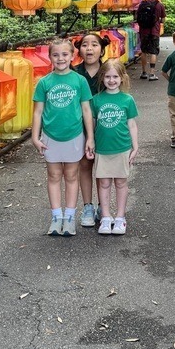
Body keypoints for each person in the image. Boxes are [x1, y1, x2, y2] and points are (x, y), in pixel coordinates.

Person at [31, 36, 94, 238]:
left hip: (75, 134)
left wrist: (90, 137)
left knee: (71, 175)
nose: (60, 58)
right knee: (54, 176)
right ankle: (56, 217)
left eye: (65, 54)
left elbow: (86, 110)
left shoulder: (79, 81)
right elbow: (38, 112)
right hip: (50, 135)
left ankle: (69, 218)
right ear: (50, 57)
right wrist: (35, 136)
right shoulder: (44, 83)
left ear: (72, 56)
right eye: (56, 55)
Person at [91, 59, 139, 236]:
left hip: (122, 147)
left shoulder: (127, 99)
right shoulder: (96, 100)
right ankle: (105, 216)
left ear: (122, 78)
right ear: (102, 78)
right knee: (103, 182)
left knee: (120, 182)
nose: (111, 80)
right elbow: (93, 124)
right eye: (108, 76)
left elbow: (132, 124)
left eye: (115, 77)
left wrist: (135, 146)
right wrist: (90, 143)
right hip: (103, 149)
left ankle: (120, 217)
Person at [72, 31, 109, 228]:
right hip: (80, 127)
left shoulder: (109, 72)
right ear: (79, 49)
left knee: (103, 168)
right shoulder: (73, 72)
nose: (89, 49)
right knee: (85, 165)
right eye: (85, 45)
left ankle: (104, 206)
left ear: (102, 49)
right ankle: (87, 206)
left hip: (105, 127)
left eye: (94, 45)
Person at [136, 0, 166, 81]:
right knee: (153, 52)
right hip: (154, 31)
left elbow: (137, 16)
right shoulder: (159, 5)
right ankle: (152, 74)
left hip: (143, 31)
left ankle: (143, 72)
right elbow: (163, 20)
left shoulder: (142, 4)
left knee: (144, 51)